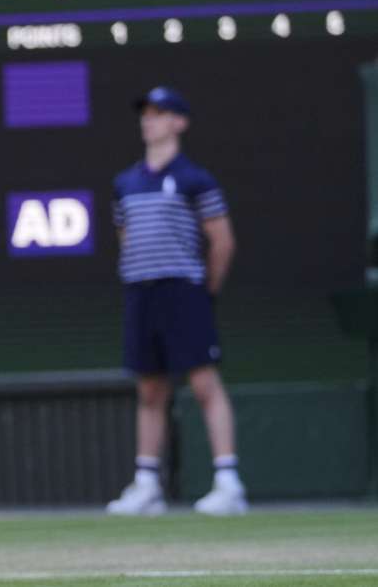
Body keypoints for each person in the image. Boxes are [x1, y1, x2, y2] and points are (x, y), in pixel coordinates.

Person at [106, 86, 246, 516]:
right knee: (149, 388)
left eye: (160, 113)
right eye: (146, 114)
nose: (149, 120)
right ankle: (147, 484)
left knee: (204, 383)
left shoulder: (195, 179)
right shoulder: (125, 183)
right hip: (141, 293)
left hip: (184, 292)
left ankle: (227, 481)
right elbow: (126, 240)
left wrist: (205, 292)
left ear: (179, 122)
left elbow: (222, 242)